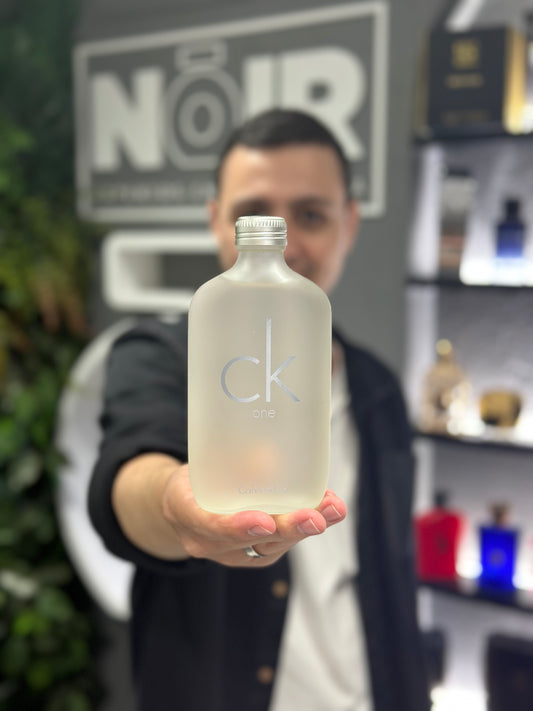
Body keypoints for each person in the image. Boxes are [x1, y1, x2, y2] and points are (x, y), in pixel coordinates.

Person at [89, 108, 430, 711]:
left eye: (311, 215)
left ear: (350, 223)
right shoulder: (158, 356)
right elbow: (128, 475)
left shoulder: (378, 388)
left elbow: (393, 577)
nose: (285, 242)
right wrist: (172, 506)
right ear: (217, 220)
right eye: (253, 214)